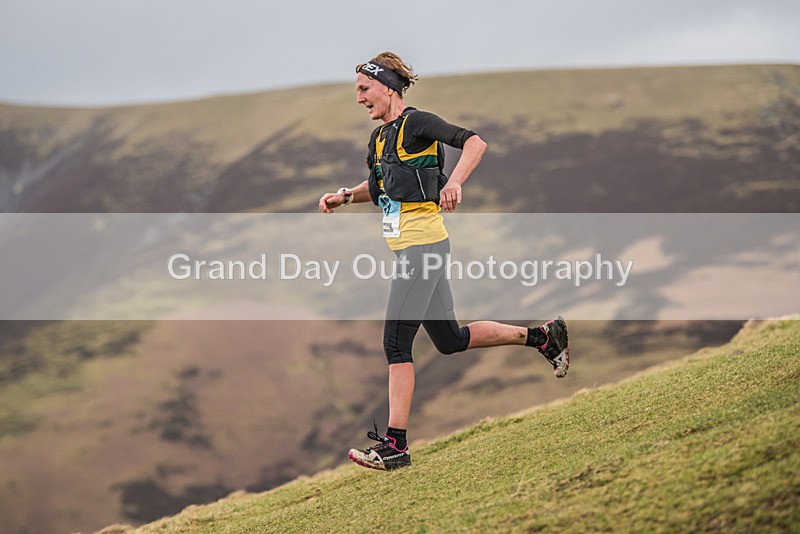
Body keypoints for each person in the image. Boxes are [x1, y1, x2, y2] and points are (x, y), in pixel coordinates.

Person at [318, 52, 569, 471]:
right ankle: (544, 337)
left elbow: (474, 142)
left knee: (395, 344)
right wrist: (344, 196)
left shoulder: (417, 123)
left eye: (364, 89)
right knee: (449, 340)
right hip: (414, 250)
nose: (359, 98)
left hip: (423, 250)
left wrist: (454, 182)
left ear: (387, 86)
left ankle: (396, 445)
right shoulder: (379, 138)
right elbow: (379, 186)